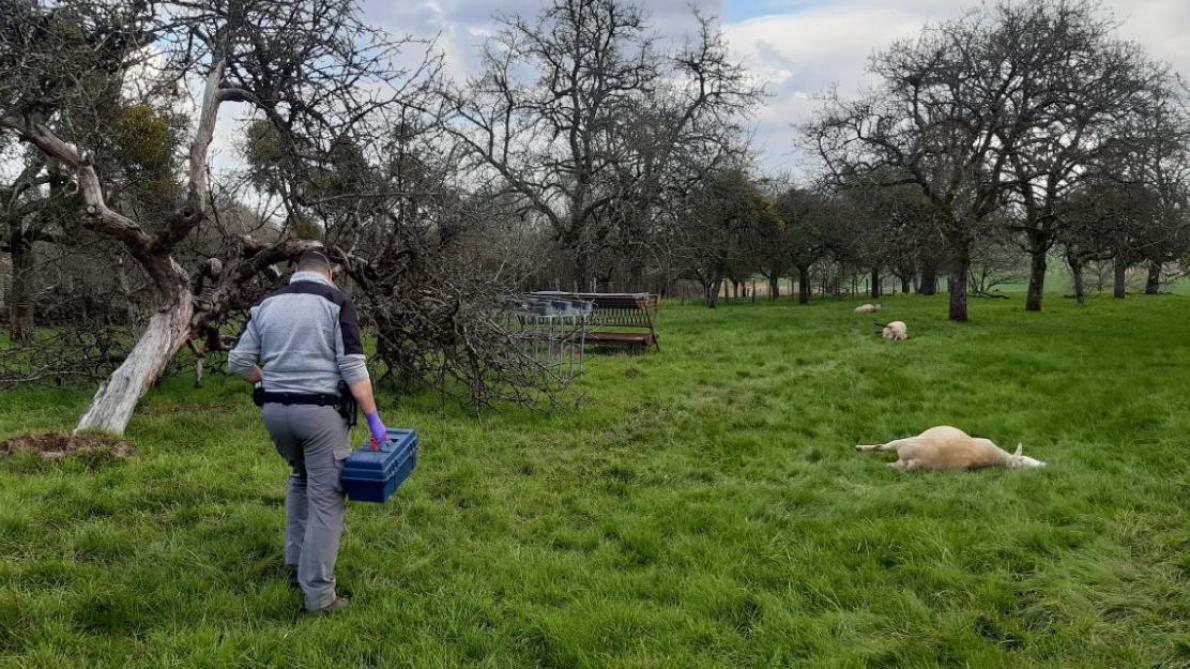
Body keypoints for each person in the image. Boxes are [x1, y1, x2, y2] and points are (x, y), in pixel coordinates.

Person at [227, 249, 388, 615]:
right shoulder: (337, 301)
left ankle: (295, 563)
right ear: (329, 273)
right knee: (328, 498)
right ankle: (319, 597)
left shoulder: (266, 304)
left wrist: (266, 380)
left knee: (300, 478)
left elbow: (237, 361)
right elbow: (352, 367)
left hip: (275, 413)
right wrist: (374, 419)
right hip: (319, 415)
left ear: (295, 272)